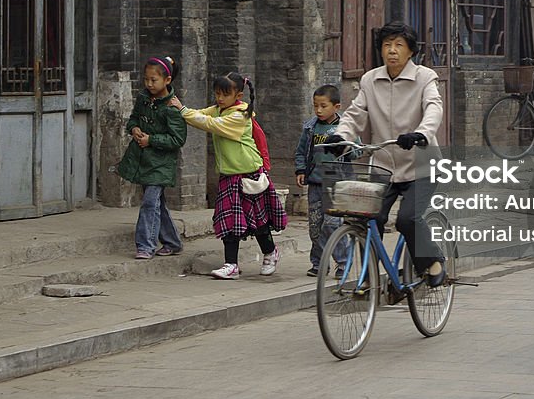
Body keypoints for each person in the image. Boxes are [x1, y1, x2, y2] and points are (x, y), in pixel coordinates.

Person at [326, 21, 447, 287]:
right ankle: (370, 278)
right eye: (387, 45)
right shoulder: (370, 79)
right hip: (383, 167)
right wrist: (341, 135)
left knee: (407, 219)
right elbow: (355, 114)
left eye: (399, 45)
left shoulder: (425, 77)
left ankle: (433, 259)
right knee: (369, 218)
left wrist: (421, 133)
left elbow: (434, 108)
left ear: (411, 51)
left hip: (421, 165)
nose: (392, 50)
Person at [170, 73, 288, 280]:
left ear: (238, 95)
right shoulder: (218, 109)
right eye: (217, 94)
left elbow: (210, 124)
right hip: (229, 176)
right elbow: (199, 115)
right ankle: (231, 265)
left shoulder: (239, 115)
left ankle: (270, 252)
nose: (220, 98)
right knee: (229, 221)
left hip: (249, 174)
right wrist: (179, 109)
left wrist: (182, 109)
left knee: (258, 222)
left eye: (225, 94)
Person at [116, 56, 187, 260]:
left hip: (161, 164)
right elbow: (133, 119)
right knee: (156, 203)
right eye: (146, 79)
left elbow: (178, 138)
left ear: (167, 80)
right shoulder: (143, 98)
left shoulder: (173, 108)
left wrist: (151, 139)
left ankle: (145, 245)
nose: (149, 83)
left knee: (149, 202)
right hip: (143, 160)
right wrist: (135, 129)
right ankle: (172, 242)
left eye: (153, 80)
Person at [295, 84, 348, 277]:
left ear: (336, 106)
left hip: (337, 183)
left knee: (333, 224)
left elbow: (357, 149)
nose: (318, 110)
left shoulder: (345, 128)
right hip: (316, 184)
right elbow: (301, 151)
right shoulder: (310, 128)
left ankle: (343, 262)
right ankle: (318, 263)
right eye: (316, 105)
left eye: (323, 106)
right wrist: (300, 170)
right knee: (315, 226)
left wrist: (346, 148)